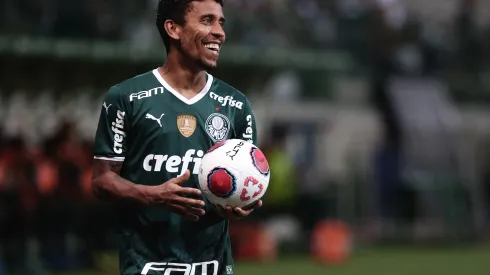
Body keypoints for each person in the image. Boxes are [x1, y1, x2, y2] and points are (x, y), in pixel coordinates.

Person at [91, 0, 262, 274]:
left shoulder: (236, 105)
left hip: (212, 266)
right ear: (173, 28)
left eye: (221, 22)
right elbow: (101, 181)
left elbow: (246, 179)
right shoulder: (126, 98)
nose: (219, 32)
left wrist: (239, 204)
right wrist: (152, 195)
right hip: (146, 266)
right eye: (207, 20)